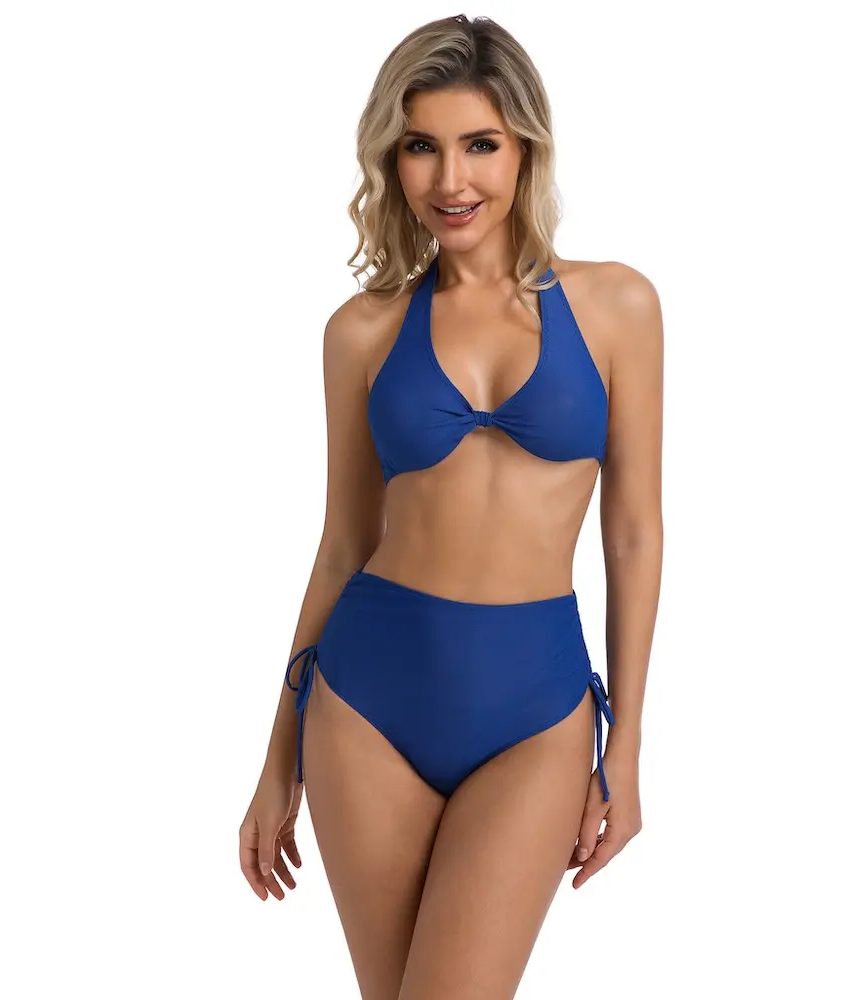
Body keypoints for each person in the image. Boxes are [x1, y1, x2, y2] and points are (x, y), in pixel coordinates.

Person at [239, 13, 663, 999]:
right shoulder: (362, 331)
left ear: (526, 149)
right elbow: (343, 543)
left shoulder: (617, 307)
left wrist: (630, 743)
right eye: (421, 147)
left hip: (535, 711)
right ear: (391, 160)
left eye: (480, 144)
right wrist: (274, 757)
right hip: (366, 703)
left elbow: (634, 532)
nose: (450, 179)